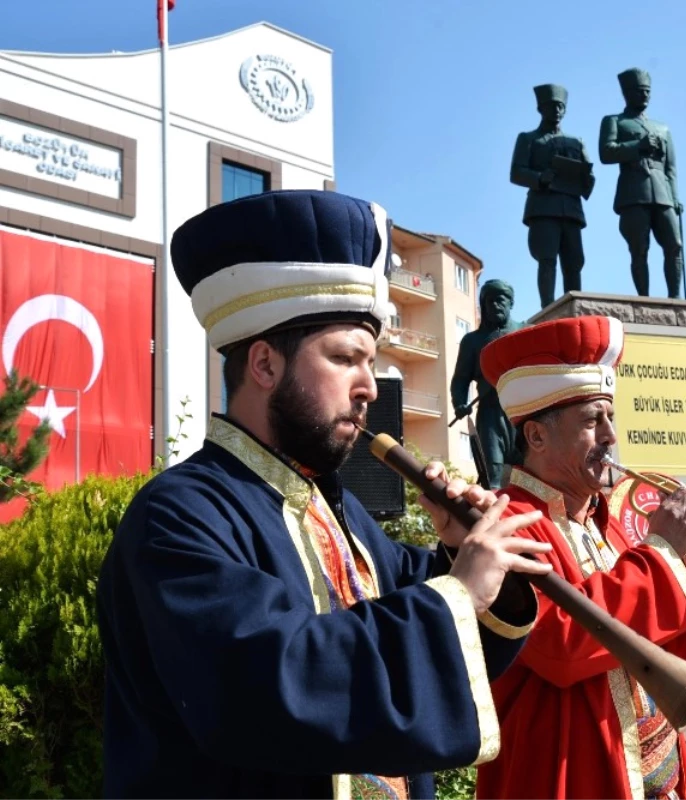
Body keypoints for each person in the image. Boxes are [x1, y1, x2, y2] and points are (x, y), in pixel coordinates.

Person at [96, 190, 553, 800]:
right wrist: (457, 591)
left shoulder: (337, 511)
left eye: (373, 361)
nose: (370, 386)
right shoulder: (178, 515)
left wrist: (459, 553)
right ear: (264, 365)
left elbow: (418, 600)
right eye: (346, 359)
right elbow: (270, 683)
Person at [472, 315, 686, 800]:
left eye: (611, 418)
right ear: (536, 437)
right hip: (570, 774)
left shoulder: (604, 519)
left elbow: (670, 657)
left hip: (658, 773)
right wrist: (662, 555)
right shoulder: (506, 522)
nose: (611, 436)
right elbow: (565, 648)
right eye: (593, 420)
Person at [599, 68, 684, 298]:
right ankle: (644, 298)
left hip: (662, 193)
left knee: (674, 244)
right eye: (639, 91)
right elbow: (606, 153)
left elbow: (671, 167)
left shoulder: (662, 128)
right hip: (633, 192)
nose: (644, 95)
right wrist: (638, 147)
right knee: (639, 249)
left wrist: (675, 197)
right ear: (627, 94)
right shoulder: (615, 121)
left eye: (647, 91)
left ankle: (675, 298)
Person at [509, 83, 595, 308]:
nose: (556, 111)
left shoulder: (577, 142)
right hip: (543, 207)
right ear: (540, 108)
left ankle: (575, 305)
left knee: (574, 261)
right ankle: (547, 306)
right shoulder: (528, 139)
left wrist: (587, 178)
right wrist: (539, 178)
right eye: (551, 106)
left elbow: (588, 172)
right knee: (547, 259)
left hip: (571, 209)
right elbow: (516, 172)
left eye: (560, 107)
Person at [449, 279, 521, 486]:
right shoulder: (472, 341)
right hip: (490, 415)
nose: (495, 305)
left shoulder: (526, 332)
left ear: (511, 303)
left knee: (529, 472)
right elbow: (460, 380)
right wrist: (459, 403)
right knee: (492, 476)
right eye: (489, 301)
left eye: (500, 300)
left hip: (522, 411)